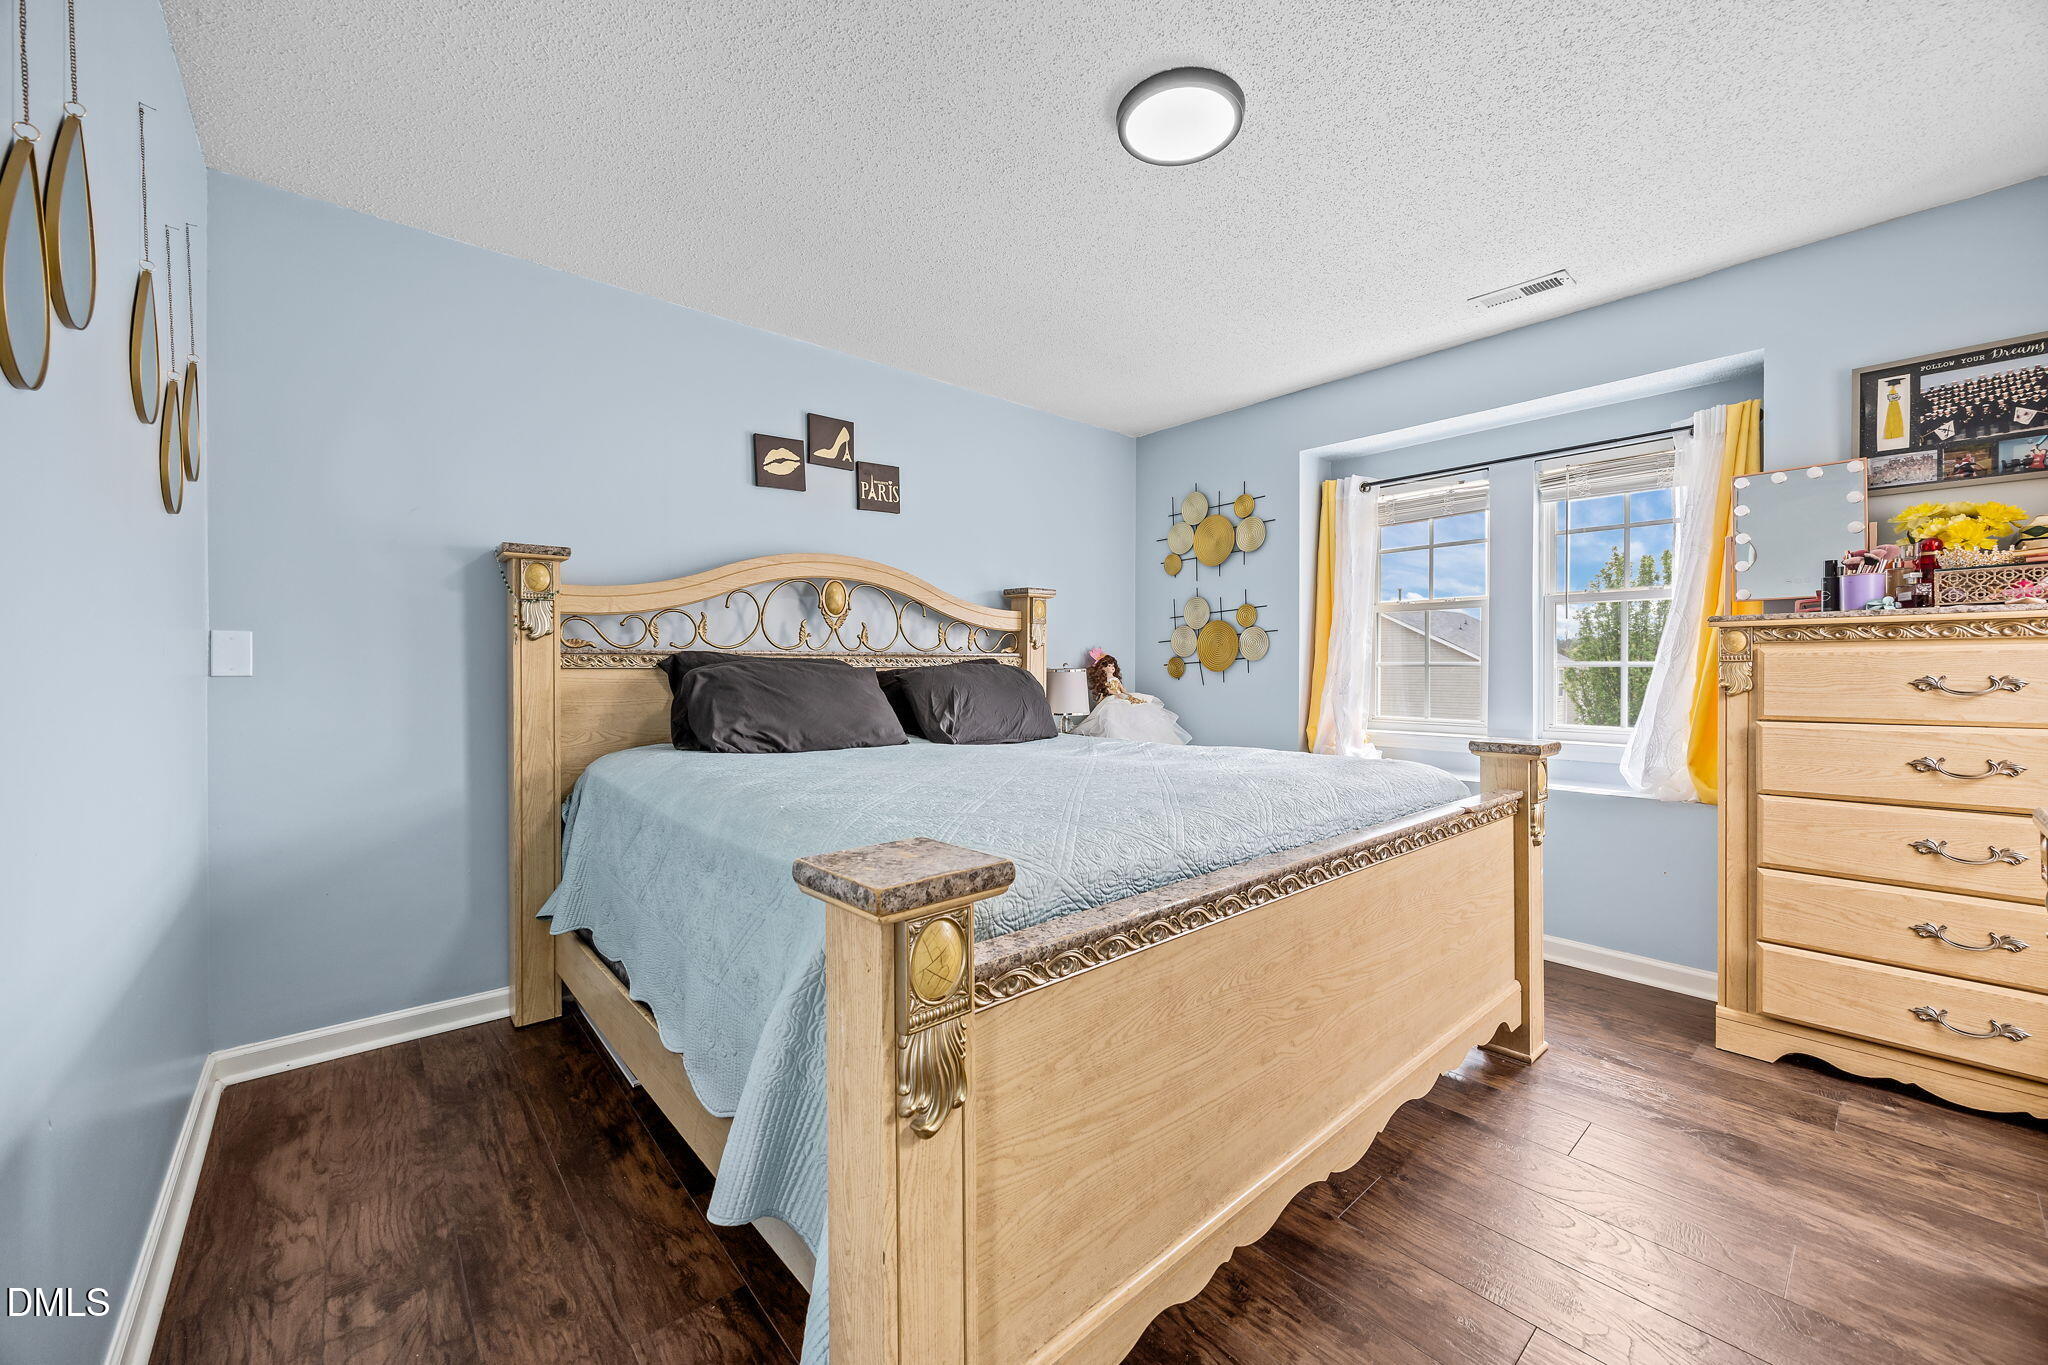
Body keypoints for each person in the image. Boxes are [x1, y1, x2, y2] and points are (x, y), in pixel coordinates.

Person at [1073, 649, 1191, 744]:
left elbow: (1123, 689)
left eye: (1113, 665)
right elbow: (1108, 690)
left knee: (1139, 710)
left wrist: (1127, 694)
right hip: (1112, 698)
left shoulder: (1115, 679)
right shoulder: (1105, 681)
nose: (1112, 667)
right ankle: (1121, 742)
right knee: (1112, 715)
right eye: (1109, 665)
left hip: (1121, 695)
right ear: (1102, 668)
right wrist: (1116, 694)